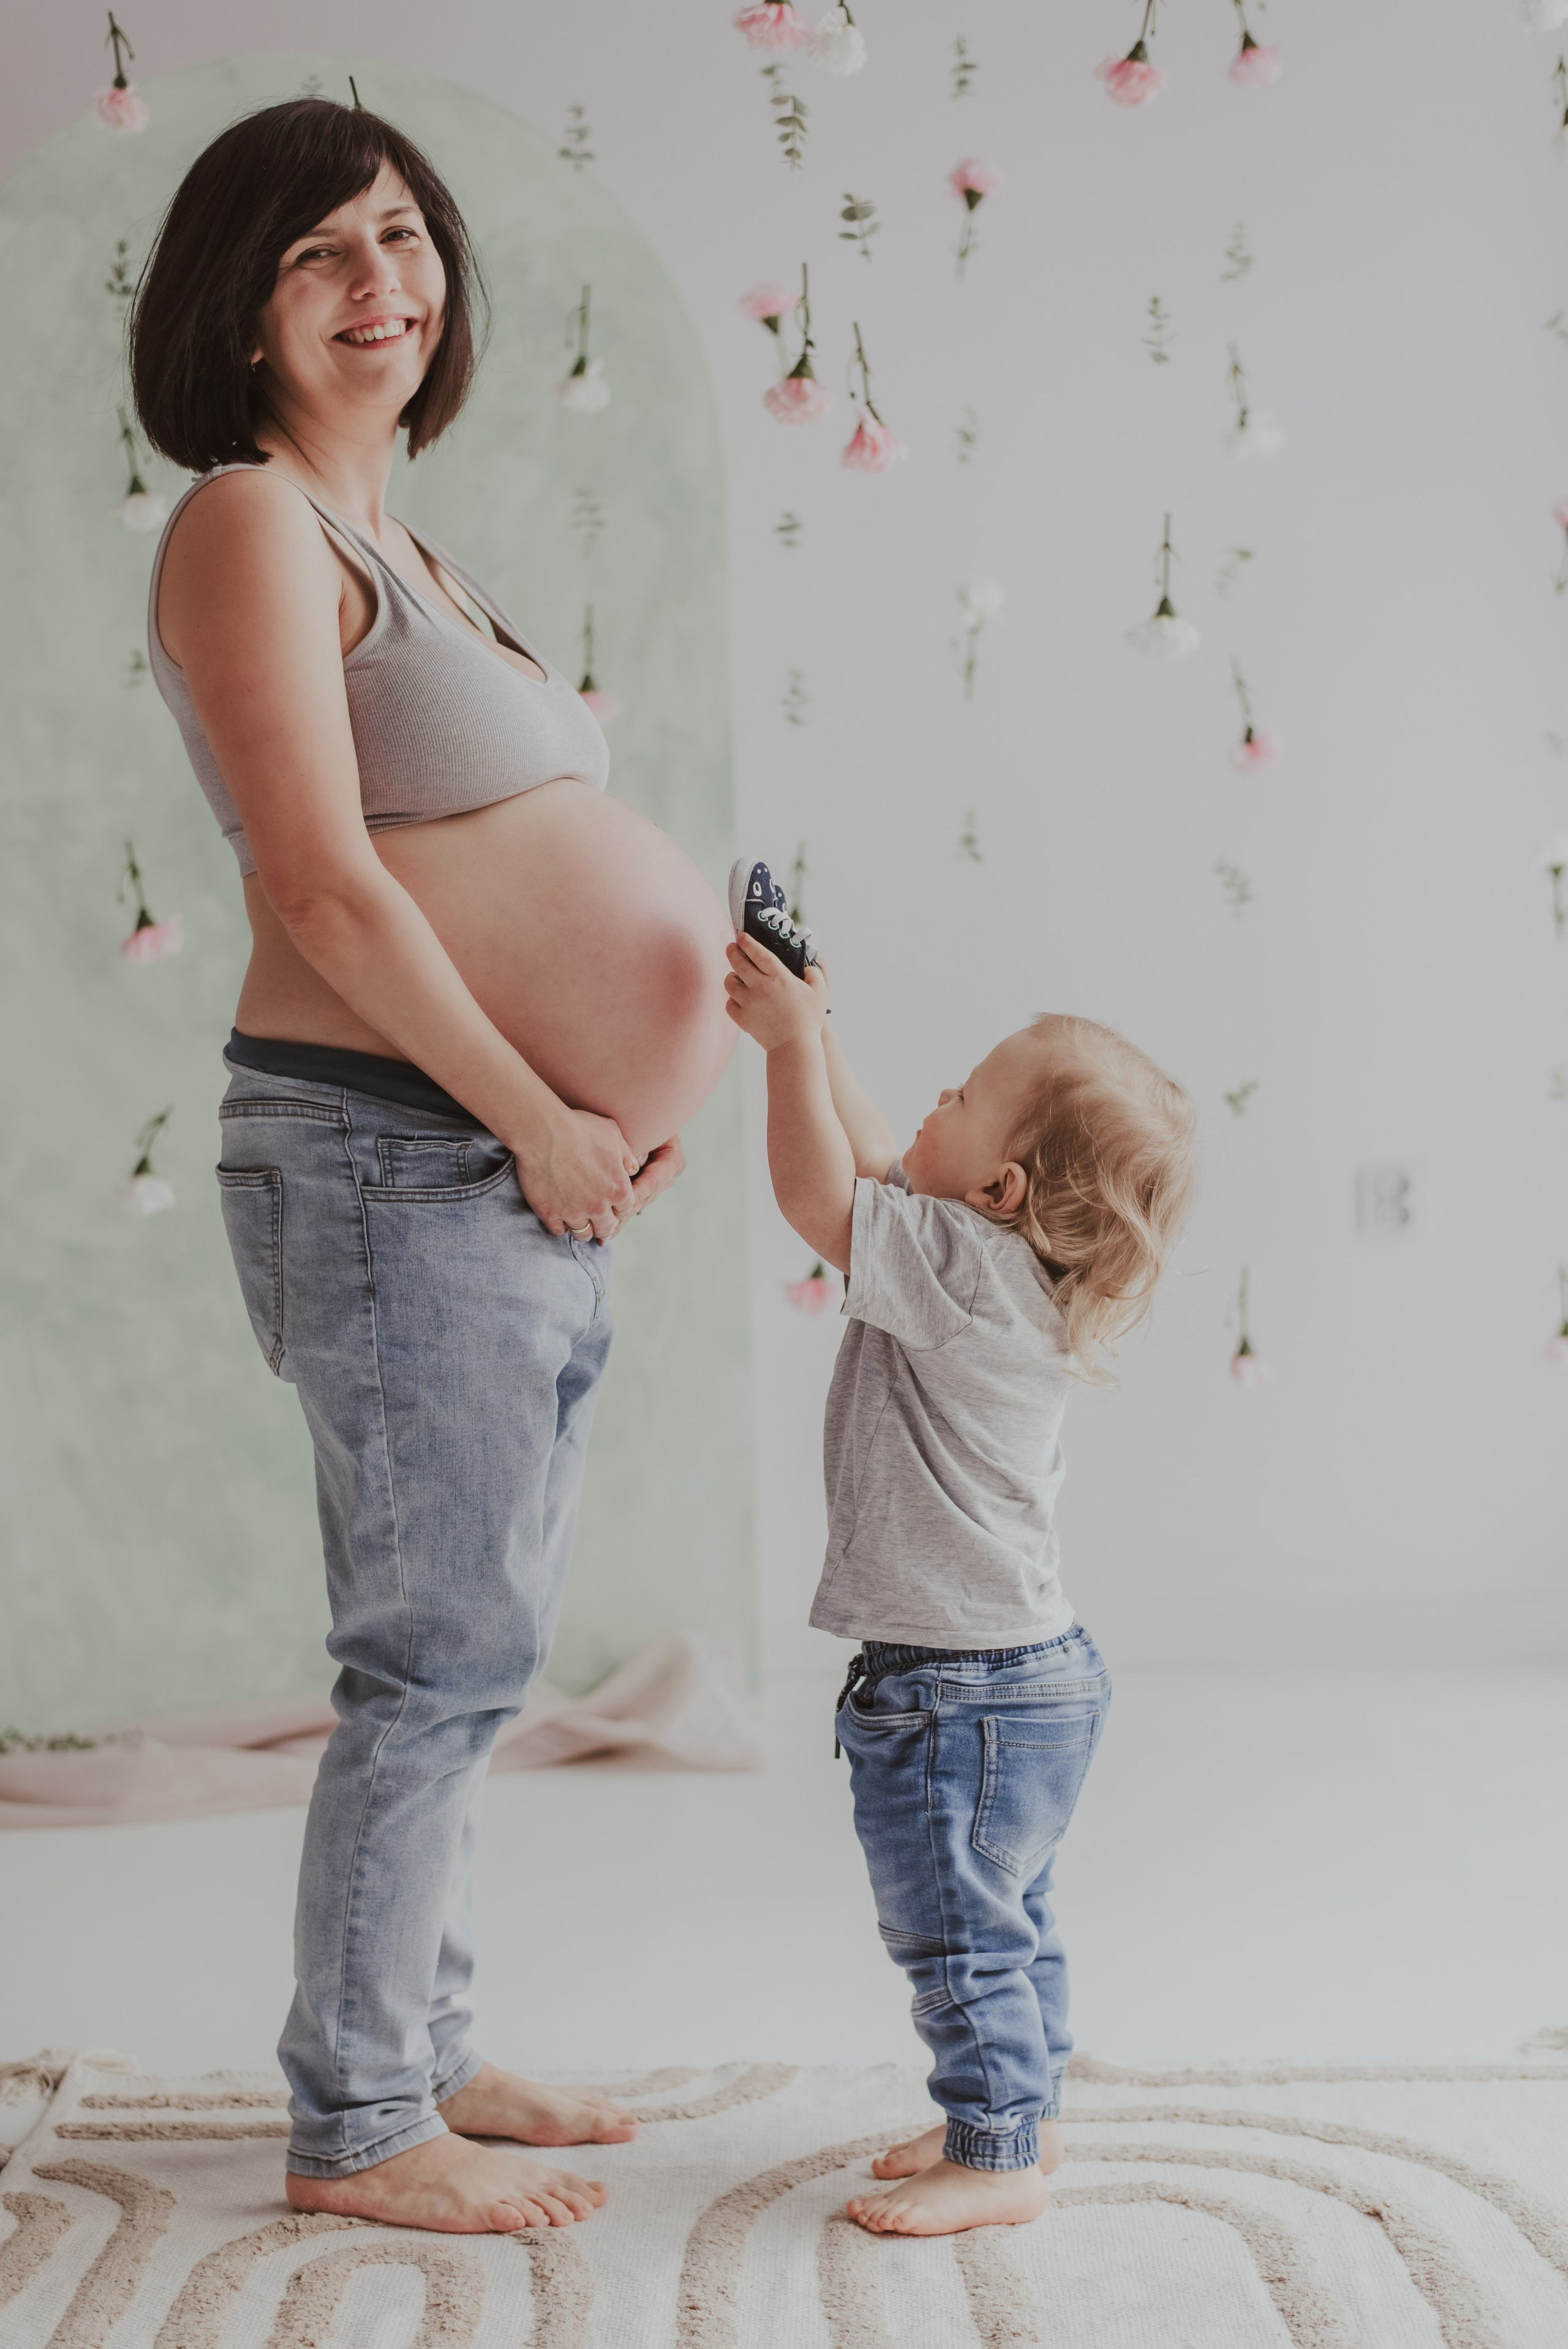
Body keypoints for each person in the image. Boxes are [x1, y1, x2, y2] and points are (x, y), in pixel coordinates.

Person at [133, 97, 736, 2235]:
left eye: (401, 235)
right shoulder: (246, 520)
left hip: (476, 1168)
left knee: (468, 1639)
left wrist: (639, 1057)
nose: (384, 280)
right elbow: (325, 884)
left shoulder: (407, 546)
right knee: (436, 1657)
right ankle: (360, 2114)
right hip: (397, 1160)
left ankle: (427, 2033)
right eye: (322, 255)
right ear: (244, 304)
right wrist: (541, 1108)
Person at [724, 890, 1195, 2236]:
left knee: (955, 1931)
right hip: (1030, 1674)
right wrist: (816, 1031)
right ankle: (1013, 2120)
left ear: (999, 1190)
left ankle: (992, 2163)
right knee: (1013, 1918)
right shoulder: (995, 1264)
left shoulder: (952, 1263)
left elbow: (827, 1190)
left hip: (957, 1687)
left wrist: (781, 1054)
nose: (932, 1097)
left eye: (965, 1095)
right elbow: (883, 1162)